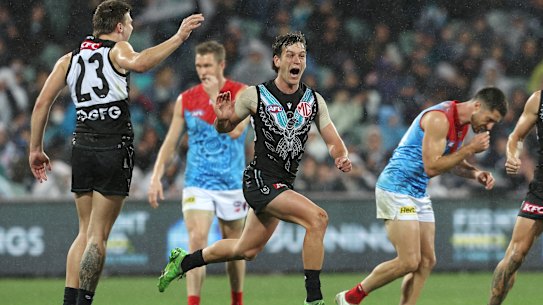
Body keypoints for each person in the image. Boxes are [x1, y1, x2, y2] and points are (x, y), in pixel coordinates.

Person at [156, 31, 352, 305]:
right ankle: (314, 299)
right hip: (259, 180)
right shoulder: (255, 95)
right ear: (277, 61)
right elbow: (225, 127)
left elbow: (333, 140)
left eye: (302, 56)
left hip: (281, 185)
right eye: (290, 55)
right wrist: (222, 119)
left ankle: (183, 262)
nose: (297, 60)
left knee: (245, 250)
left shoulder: (314, 101)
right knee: (317, 219)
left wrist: (340, 156)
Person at [28, 1, 203, 304]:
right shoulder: (118, 49)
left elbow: (42, 103)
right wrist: (178, 38)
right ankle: (85, 301)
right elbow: (143, 63)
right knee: (99, 235)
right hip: (113, 145)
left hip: (81, 145)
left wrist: (35, 148)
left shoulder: (68, 60)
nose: (132, 26)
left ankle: (70, 302)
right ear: (119, 27)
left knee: (83, 231)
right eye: (130, 21)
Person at [335, 87, 508, 305]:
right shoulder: (439, 119)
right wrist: (470, 149)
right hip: (397, 190)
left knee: (427, 261)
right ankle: (350, 298)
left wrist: (475, 173)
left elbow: (450, 161)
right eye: (490, 119)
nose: (489, 126)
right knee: (409, 261)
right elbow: (432, 167)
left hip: (417, 194)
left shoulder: (461, 124)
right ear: (477, 106)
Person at [148, 40, 249, 305]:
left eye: (207, 65)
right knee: (197, 240)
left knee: (235, 248)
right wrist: (156, 175)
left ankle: (236, 300)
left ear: (221, 65)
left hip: (232, 183)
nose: (202, 70)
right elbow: (171, 141)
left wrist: (218, 102)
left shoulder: (241, 93)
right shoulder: (187, 99)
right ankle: (194, 302)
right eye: (199, 65)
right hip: (198, 181)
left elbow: (238, 132)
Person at [486, 90, 543, 305]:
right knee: (515, 255)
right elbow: (515, 137)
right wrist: (512, 155)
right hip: (541, 189)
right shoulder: (538, 100)